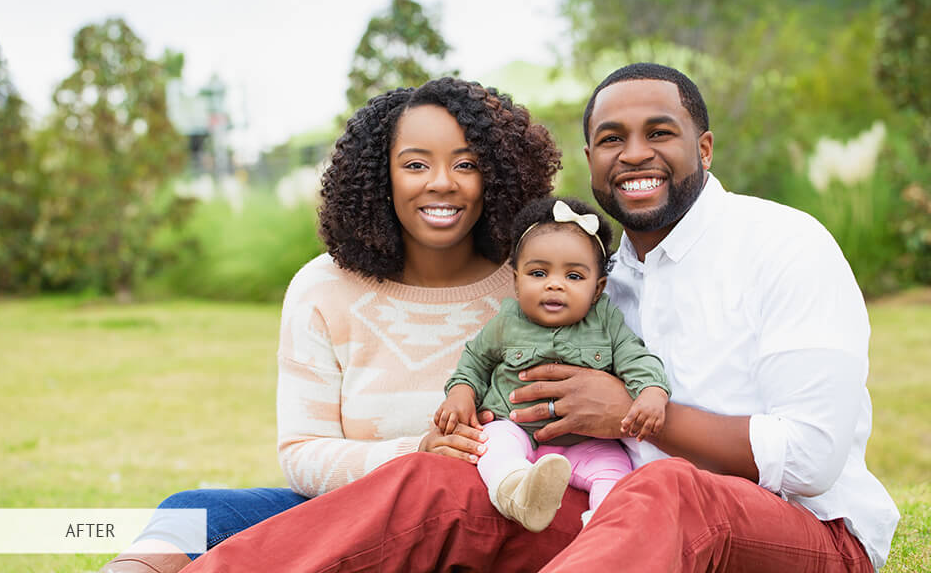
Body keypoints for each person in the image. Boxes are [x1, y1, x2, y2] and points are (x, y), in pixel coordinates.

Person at [179, 63, 900, 573]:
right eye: (612, 139)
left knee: (667, 486)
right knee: (441, 485)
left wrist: (632, 418)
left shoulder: (783, 244)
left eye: (660, 132)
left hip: (800, 538)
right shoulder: (592, 277)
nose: (635, 154)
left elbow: (811, 459)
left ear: (703, 148)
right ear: (590, 159)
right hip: (615, 527)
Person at [98, 77, 561, 573]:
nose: (442, 182)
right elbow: (301, 453)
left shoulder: (533, 285)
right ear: (380, 176)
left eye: (465, 164)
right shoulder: (322, 288)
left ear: (496, 175)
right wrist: (417, 453)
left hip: (485, 522)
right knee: (194, 514)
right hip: (353, 515)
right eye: (415, 165)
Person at [435, 195, 669, 533]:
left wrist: (651, 392)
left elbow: (635, 357)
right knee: (490, 447)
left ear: (598, 288)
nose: (554, 284)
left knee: (614, 471)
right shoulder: (506, 322)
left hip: (584, 441)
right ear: (517, 281)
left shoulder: (606, 322)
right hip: (514, 427)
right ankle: (518, 493)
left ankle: (604, 530)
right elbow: (474, 361)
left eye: (573, 276)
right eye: (538, 273)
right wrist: (461, 393)